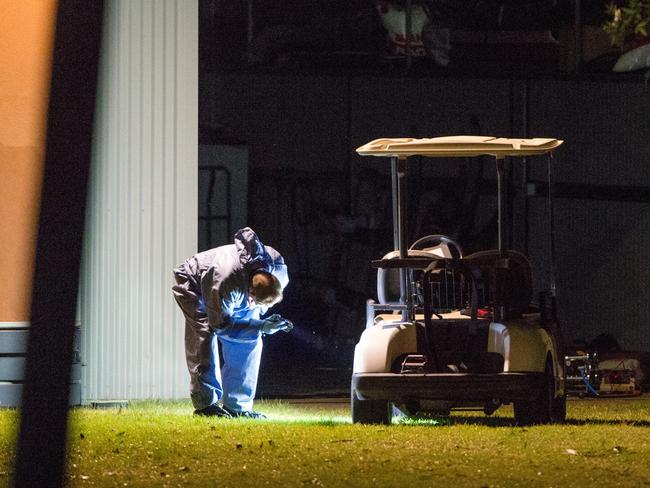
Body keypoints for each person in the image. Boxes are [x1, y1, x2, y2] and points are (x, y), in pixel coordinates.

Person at [172, 227, 292, 418]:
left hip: (233, 288)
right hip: (194, 284)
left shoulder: (279, 269)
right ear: (251, 295)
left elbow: (255, 313)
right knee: (205, 336)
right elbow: (221, 325)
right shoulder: (226, 281)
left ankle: (238, 407)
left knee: (250, 339)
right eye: (256, 303)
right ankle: (206, 406)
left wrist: (261, 321)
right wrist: (260, 325)